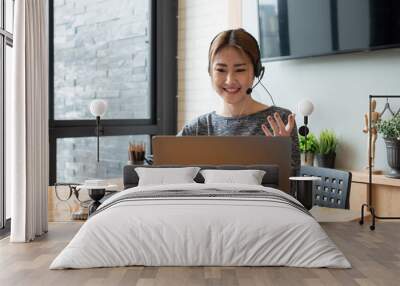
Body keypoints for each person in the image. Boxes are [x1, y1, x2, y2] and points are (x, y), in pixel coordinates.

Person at [178, 28, 300, 175]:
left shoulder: (280, 121)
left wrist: (281, 156)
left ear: (256, 71)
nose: (230, 80)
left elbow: (291, 188)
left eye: (240, 70)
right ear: (210, 72)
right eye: (221, 70)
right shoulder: (196, 129)